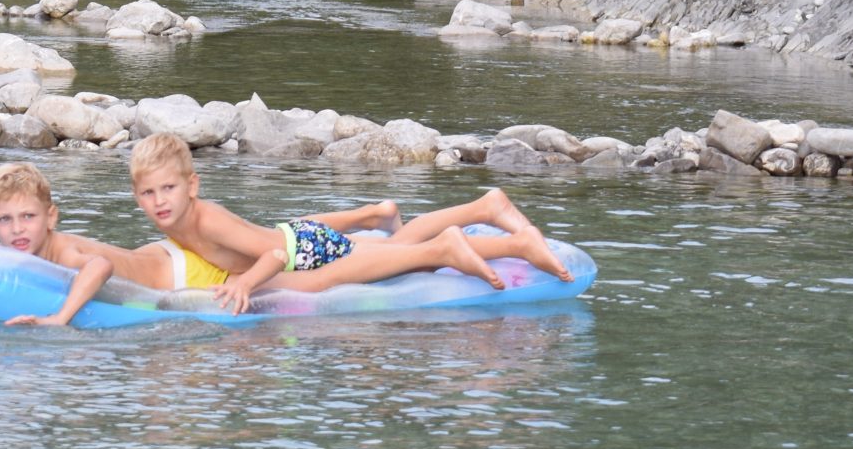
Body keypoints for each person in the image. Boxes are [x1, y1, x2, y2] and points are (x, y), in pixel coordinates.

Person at [124, 133, 574, 316]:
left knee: (402, 257)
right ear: (136, 195)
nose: (159, 201)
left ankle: (506, 245)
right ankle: (484, 207)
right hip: (300, 239)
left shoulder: (206, 219)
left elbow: (275, 255)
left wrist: (243, 285)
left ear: (192, 186)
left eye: (168, 189)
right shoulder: (177, 217)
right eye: (148, 193)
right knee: (396, 245)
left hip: (305, 254)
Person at [0, 162, 173, 328]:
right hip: (154, 260)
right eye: (5, 219)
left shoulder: (63, 253)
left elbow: (101, 265)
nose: (17, 229)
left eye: (28, 216)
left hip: (172, 279)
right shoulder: (3, 254)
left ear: (51, 218)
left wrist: (60, 318)